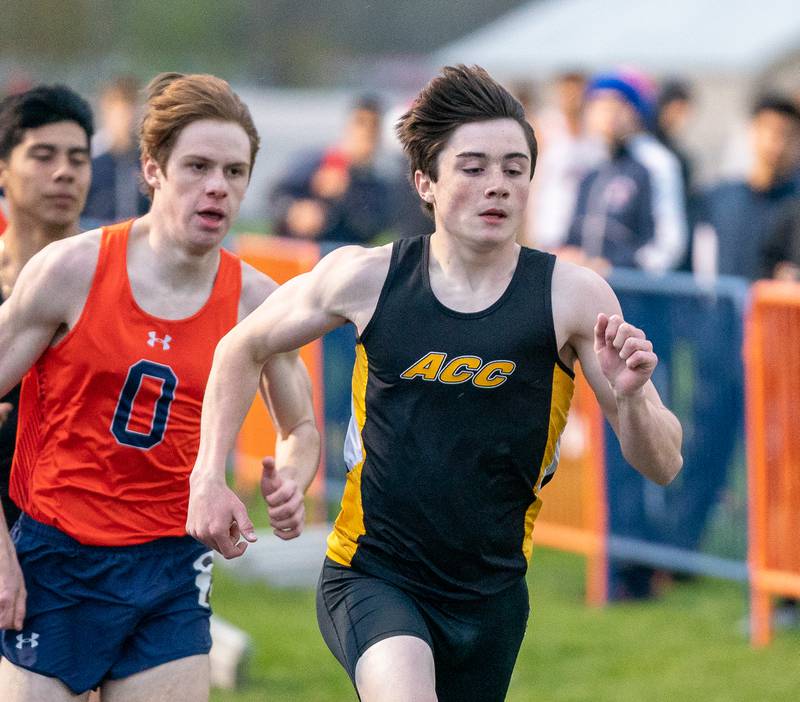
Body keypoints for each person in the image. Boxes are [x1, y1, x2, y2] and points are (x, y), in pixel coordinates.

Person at [188, 65, 683, 701]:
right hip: (372, 575)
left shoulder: (572, 297)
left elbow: (663, 463)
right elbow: (241, 345)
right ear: (426, 182)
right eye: (473, 168)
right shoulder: (366, 279)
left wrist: (636, 393)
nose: (496, 186)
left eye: (513, 168)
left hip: (492, 596)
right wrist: (208, 476)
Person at [0, 72, 319, 701]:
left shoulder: (258, 300)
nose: (216, 188)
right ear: (152, 170)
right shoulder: (71, 270)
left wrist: (292, 479)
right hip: (56, 555)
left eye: (234, 172)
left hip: (170, 565)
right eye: (197, 166)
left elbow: (301, 426)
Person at [0, 85, 94, 532]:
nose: (64, 173)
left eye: (78, 159)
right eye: (43, 155)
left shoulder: (123, 280)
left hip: (94, 538)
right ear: (3, 169)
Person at [563, 70, 688, 275]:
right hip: (585, 288)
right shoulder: (588, 163)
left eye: (616, 104)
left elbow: (669, 244)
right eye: (599, 105)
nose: (607, 113)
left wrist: (622, 269)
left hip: (632, 292)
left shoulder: (654, 162)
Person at [697, 95, 800, 281]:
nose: (778, 143)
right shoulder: (720, 198)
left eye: (789, 134)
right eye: (771, 130)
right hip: (723, 308)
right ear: (752, 131)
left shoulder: (795, 204)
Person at [270, 94, 392, 243]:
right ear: (348, 127)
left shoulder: (379, 185)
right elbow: (276, 197)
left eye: (373, 126)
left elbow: (370, 227)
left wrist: (345, 195)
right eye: (360, 123)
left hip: (342, 258)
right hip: (300, 254)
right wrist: (294, 211)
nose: (365, 133)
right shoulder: (315, 162)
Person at [81, 76, 149, 227]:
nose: (126, 116)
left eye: (131, 107)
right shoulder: (90, 158)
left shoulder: (148, 161)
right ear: (107, 109)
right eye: (120, 109)